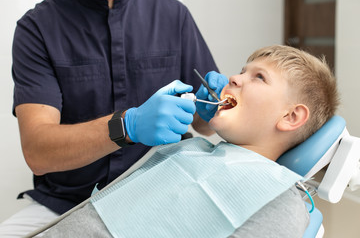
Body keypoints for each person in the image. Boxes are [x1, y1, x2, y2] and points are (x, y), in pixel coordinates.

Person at [40, 45, 339, 237]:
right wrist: (127, 126)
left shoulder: (279, 203)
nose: (233, 78)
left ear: (291, 117)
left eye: (258, 77)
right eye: (242, 70)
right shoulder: (190, 150)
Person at [1, 0, 224, 236]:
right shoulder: (37, 27)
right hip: (70, 203)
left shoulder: (173, 14)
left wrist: (208, 109)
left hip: (164, 192)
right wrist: (126, 126)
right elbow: (38, 152)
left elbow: (205, 126)